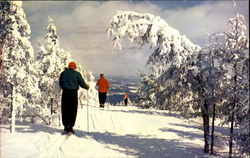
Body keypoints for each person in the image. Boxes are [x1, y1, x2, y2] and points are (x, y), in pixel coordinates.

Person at [59, 62, 89, 135]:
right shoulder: (77, 74)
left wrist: (64, 88)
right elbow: (82, 83)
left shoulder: (63, 73)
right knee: (72, 110)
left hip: (65, 93)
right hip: (73, 93)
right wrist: (87, 87)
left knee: (65, 109)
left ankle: (66, 126)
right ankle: (70, 127)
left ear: (69, 67)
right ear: (74, 67)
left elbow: (60, 83)